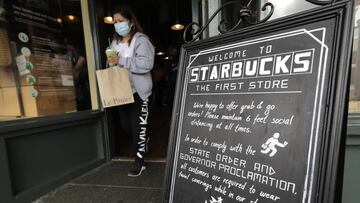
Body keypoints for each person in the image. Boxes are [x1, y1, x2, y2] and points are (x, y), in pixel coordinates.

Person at [107, 5, 155, 177]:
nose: (117, 24)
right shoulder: (114, 43)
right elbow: (113, 65)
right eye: (115, 22)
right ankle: (144, 139)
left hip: (140, 93)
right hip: (122, 92)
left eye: (120, 21)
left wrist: (121, 60)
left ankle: (139, 163)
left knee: (137, 129)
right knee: (126, 126)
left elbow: (146, 65)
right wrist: (112, 64)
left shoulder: (141, 40)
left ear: (131, 22)